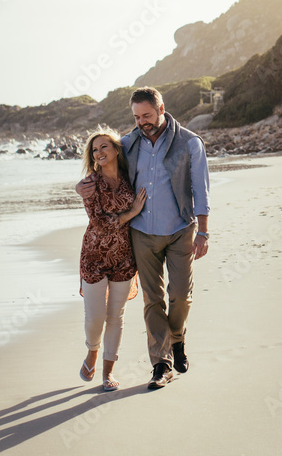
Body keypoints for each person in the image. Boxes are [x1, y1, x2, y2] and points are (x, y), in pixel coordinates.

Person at [78, 87, 210, 390]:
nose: (142, 122)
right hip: (141, 234)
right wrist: (80, 186)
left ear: (161, 109)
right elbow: (102, 163)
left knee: (180, 297)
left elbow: (201, 189)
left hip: (179, 230)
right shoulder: (127, 143)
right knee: (152, 300)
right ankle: (161, 365)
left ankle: (177, 339)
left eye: (147, 115)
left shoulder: (189, 143)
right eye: (137, 117)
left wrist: (203, 231)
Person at [78, 127, 147, 392]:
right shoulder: (90, 184)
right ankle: (92, 352)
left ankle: (108, 372)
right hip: (94, 256)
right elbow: (98, 222)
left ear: (116, 150)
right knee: (95, 317)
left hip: (124, 256)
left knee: (116, 316)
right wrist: (133, 212)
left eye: (104, 146)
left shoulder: (130, 177)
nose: (99, 152)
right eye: (95, 149)